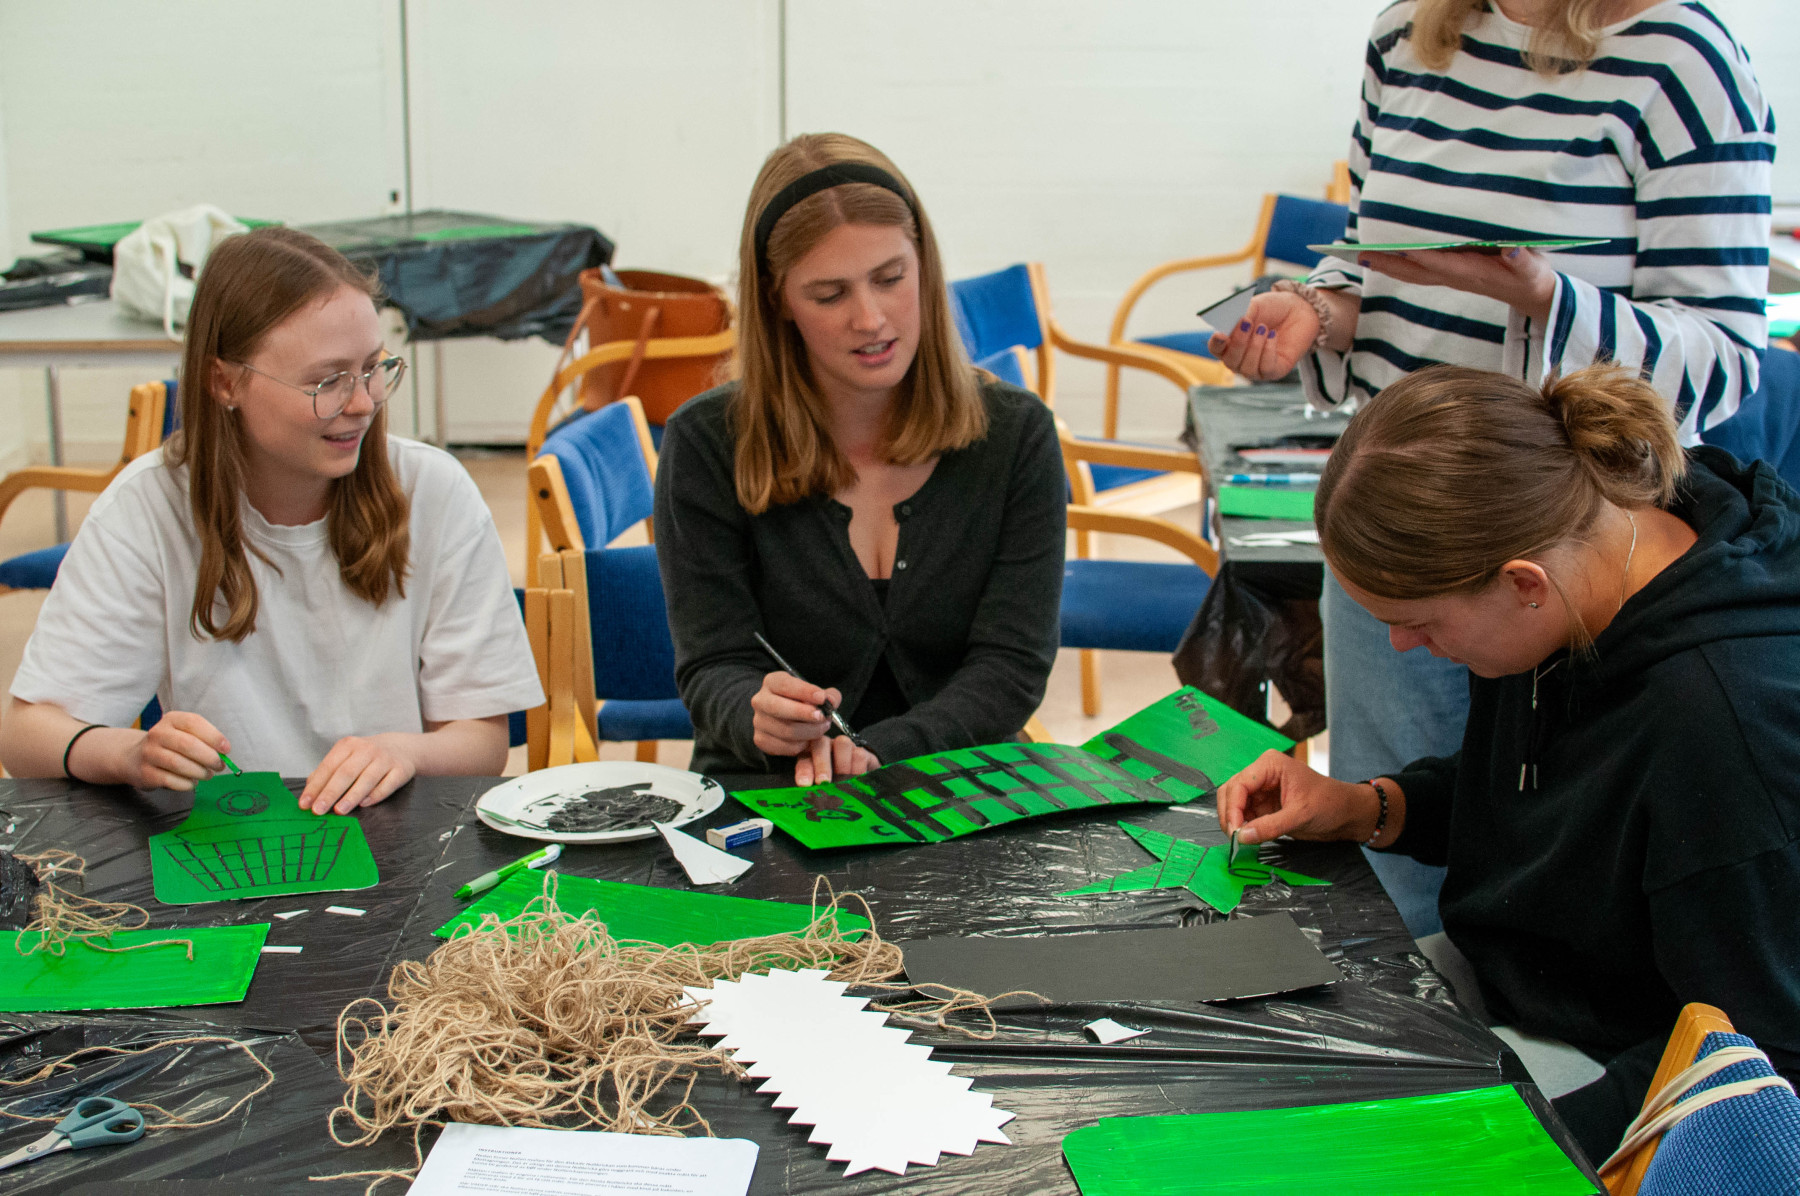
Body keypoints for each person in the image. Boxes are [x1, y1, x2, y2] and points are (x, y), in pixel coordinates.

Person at [1205, 0, 1774, 935]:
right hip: (1399, 526)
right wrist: (1322, 311)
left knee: (1545, 892)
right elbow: (1373, 260)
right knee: (1411, 887)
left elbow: (1726, 359)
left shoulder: (1683, 60)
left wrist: (1545, 297)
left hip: (1552, 529)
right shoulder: (1406, 35)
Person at [1215, 362, 1800, 1163]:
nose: (1402, 645)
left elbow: (1763, 1056)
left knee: (1318, 1156)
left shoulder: (1725, 729)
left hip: (1635, 1068)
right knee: (1250, 1053)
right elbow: (1550, 792)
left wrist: (1502, 1154)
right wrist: (1368, 807)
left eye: (1420, 623)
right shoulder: (1578, 556)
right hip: (1525, 976)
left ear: (1523, 584)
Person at [0, 228, 544, 813]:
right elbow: (25, 737)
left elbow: (482, 743)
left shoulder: (434, 491)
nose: (362, 402)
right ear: (224, 382)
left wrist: (405, 752)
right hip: (231, 839)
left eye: (372, 368)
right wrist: (129, 754)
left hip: (398, 832)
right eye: (326, 381)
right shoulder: (147, 507)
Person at [654, 133, 1066, 783]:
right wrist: (755, 713)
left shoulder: (1016, 435)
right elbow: (714, 665)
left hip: (959, 785)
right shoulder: (706, 443)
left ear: (924, 267)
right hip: (769, 792)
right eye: (830, 295)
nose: (870, 319)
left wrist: (878, 751)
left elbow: (1011, 667)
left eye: (890, 279)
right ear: (777, 301)